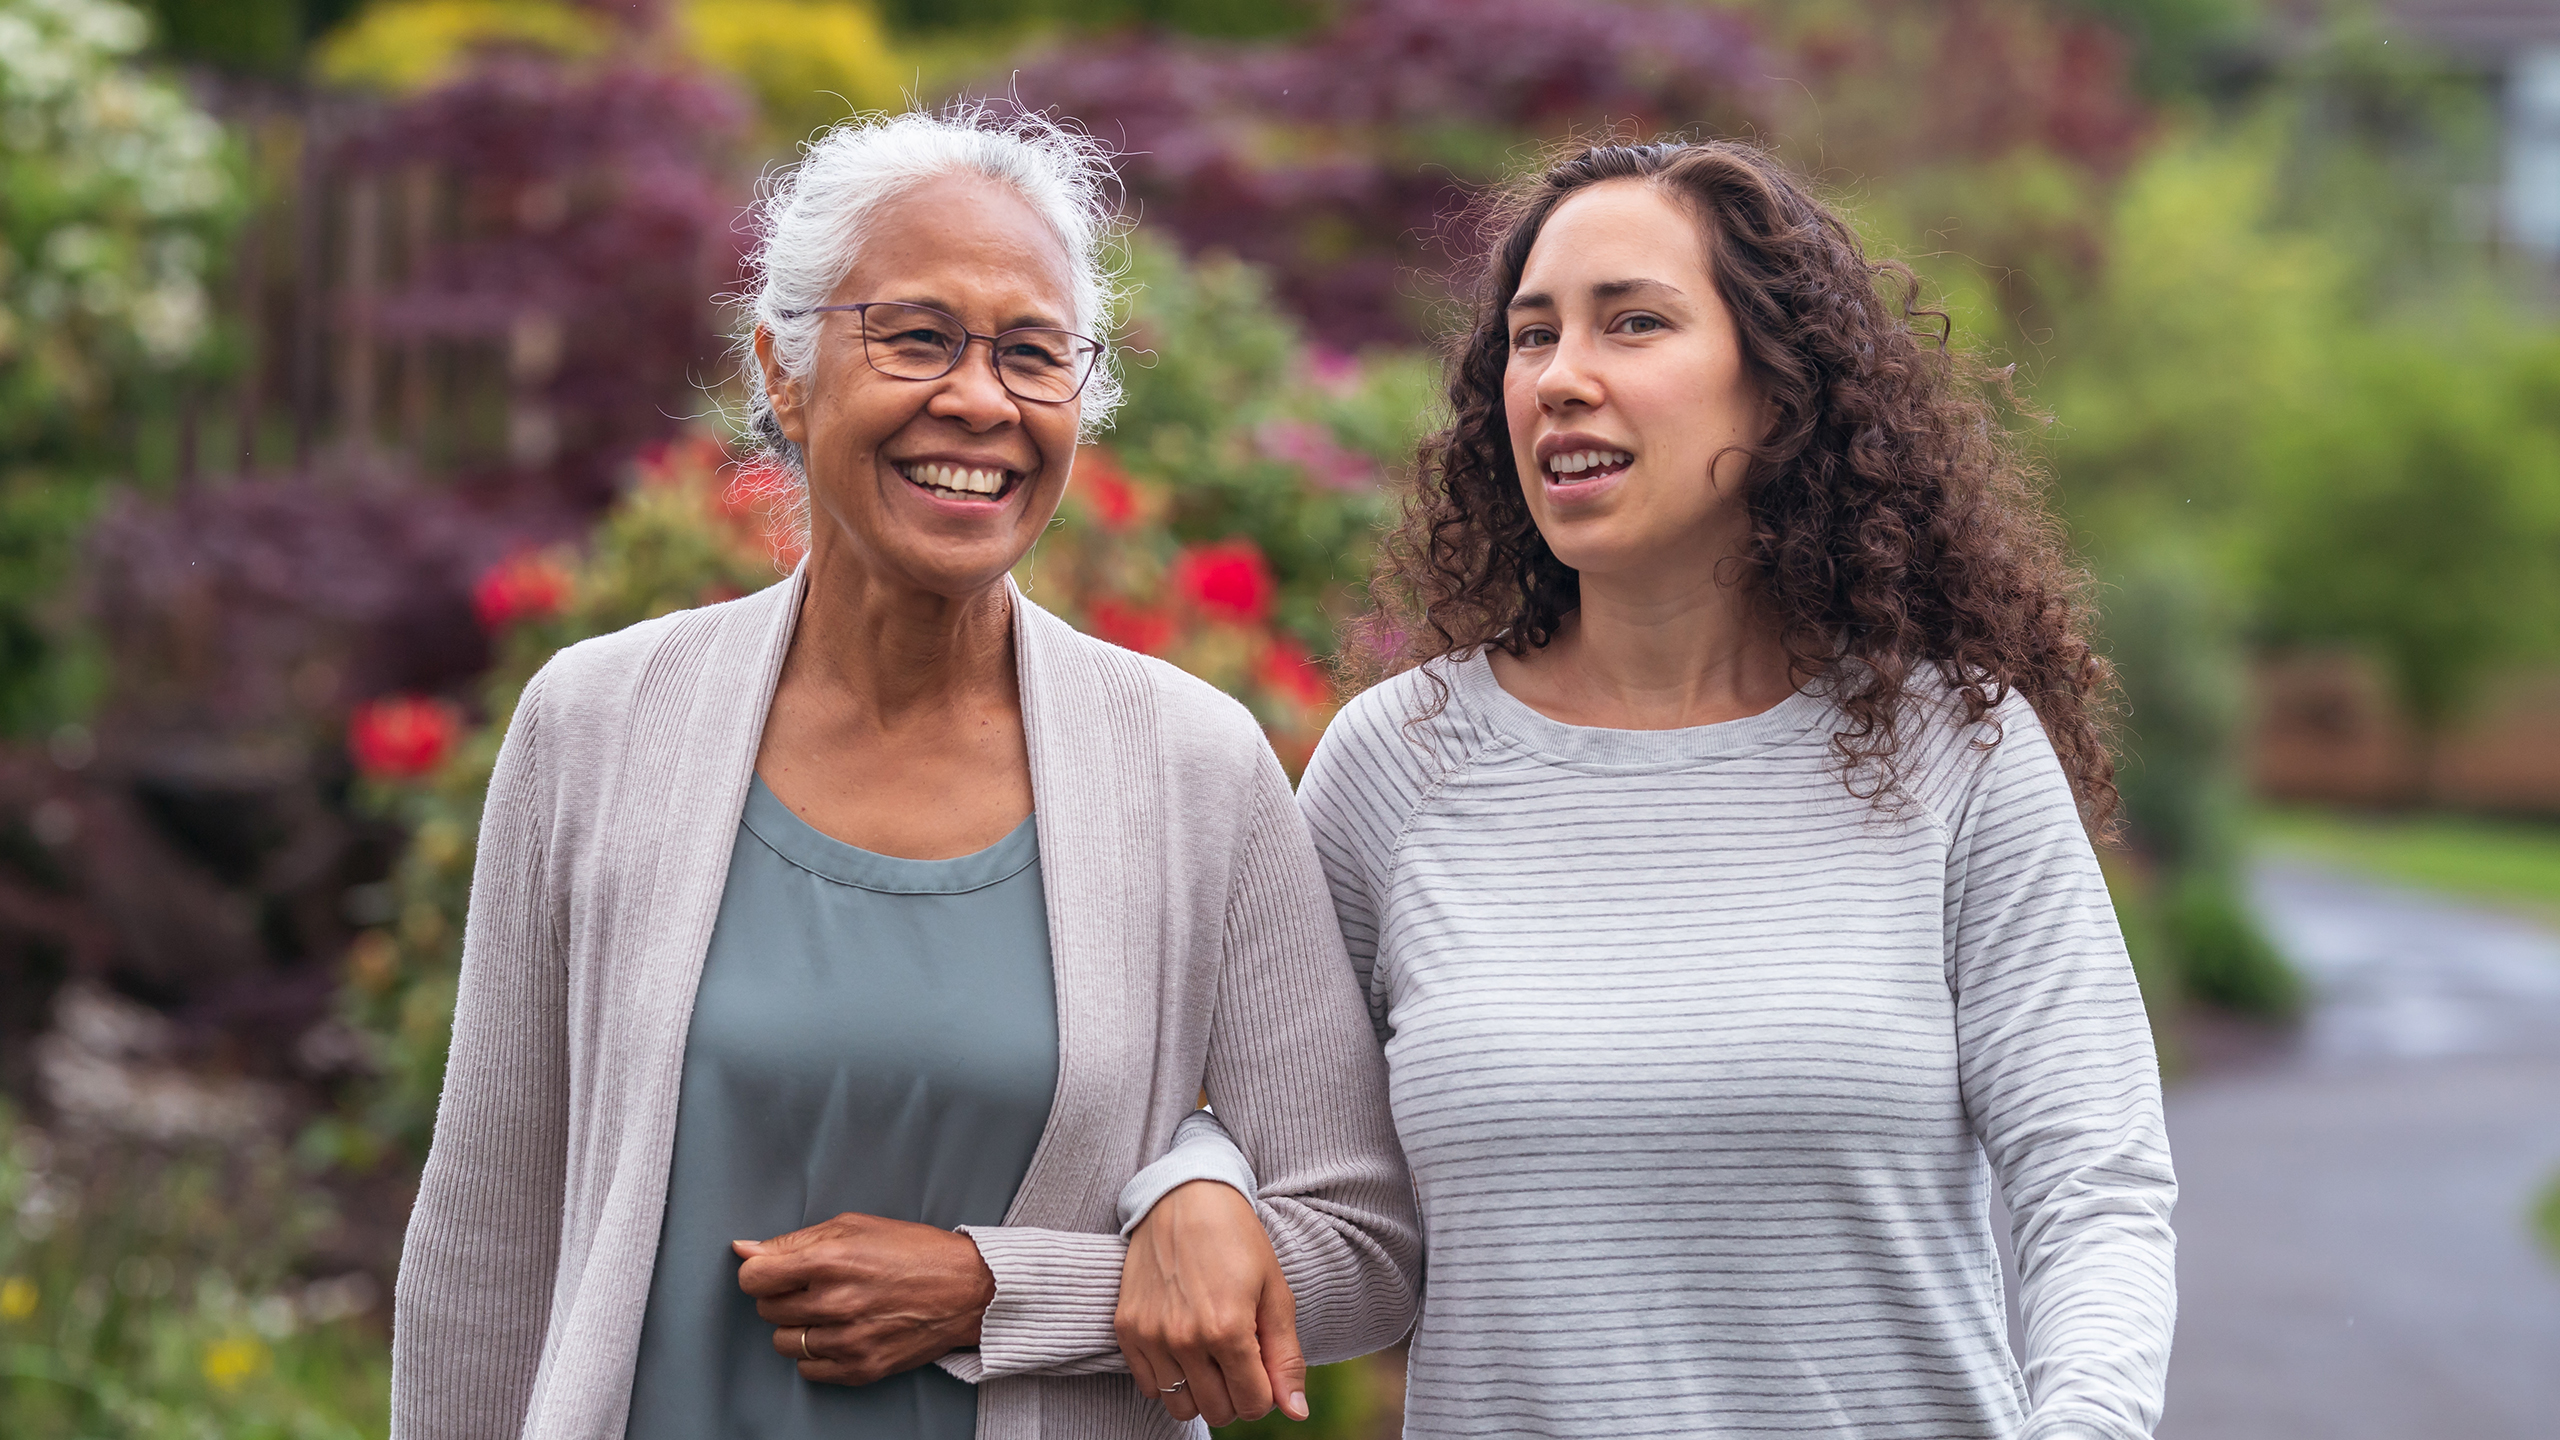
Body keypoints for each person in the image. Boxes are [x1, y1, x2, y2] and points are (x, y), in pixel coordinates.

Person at [1116, 139, 2178, 1438]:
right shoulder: (1399, 762)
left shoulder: (1957, 750)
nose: (1563, 379)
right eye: (1532, 337)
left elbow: (2097, 1186)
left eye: (1634, 324)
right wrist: (1189, 1181)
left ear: (1778, 392)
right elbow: (1273, 1137)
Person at [387, 106, 1419, 1440]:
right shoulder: (596, 724)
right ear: (786, 367)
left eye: (1033, 355)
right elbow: (485, 1243)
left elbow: (1363, 1250)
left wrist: (1006, 1289)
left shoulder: (1191, 768)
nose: (979, 401)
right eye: (919, 337)